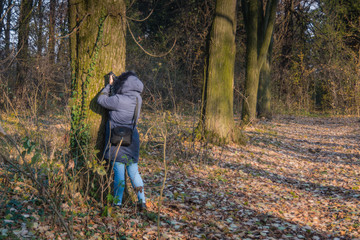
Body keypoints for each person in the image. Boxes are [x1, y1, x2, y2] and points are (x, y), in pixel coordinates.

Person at [97, 71, 146, 210]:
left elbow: (101, 100)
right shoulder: (138, 99)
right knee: (134, 172)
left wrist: (109, 86)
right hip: (132, 139)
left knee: (119, 173)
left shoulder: (118, 99)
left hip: (117, 140)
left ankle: (117, 203)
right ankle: (142, 201)